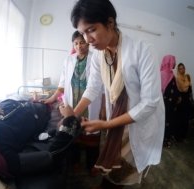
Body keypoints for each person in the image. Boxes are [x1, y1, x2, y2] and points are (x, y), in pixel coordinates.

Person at [63, 0, 165, 187]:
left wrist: (107, 124)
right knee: (114, 169)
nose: (87, 40)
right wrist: (73, 115)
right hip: (116, 122)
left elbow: (150, 103)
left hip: (137, 122)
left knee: (124, 174)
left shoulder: (142, 50)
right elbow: (93, 88)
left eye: (91, 30)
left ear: (110, 23)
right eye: (83, 33)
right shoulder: (98, 56)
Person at [42, 30, 102, 175]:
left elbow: (101, 86)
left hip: (90, 105)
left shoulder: (96, 58)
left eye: (82, 42)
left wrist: (105, 109)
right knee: (72, 135)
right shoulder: (69, 60)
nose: (79, 46)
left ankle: (92, 164)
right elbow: (62, 85)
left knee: (91, 135)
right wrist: (51, 98)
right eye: (76, 43)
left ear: (88, 43)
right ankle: (75, 162)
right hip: (72, 103)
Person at [160, 55, 180, 148]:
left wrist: (178, 97)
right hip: (163, 104)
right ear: (169, 61)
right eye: (173, 61)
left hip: (171, 105)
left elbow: (175, 89)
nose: (175, 63)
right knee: (162, 122)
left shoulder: (172, 75)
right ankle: (161, 140)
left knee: (169, 122)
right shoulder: (161, 74)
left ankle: (166, 139)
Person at [175, 62, 193, 141]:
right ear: (178, 70)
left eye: (183, 68)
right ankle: (178, 136)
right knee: (180, 119)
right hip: (181, 101)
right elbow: (183, 90)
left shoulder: (187, 77)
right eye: (180, 69)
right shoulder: (177, 78)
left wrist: (191, 98)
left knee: (186, 119)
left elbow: (190, 90)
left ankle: (183, 135)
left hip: (187, 101)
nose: (182, 70)